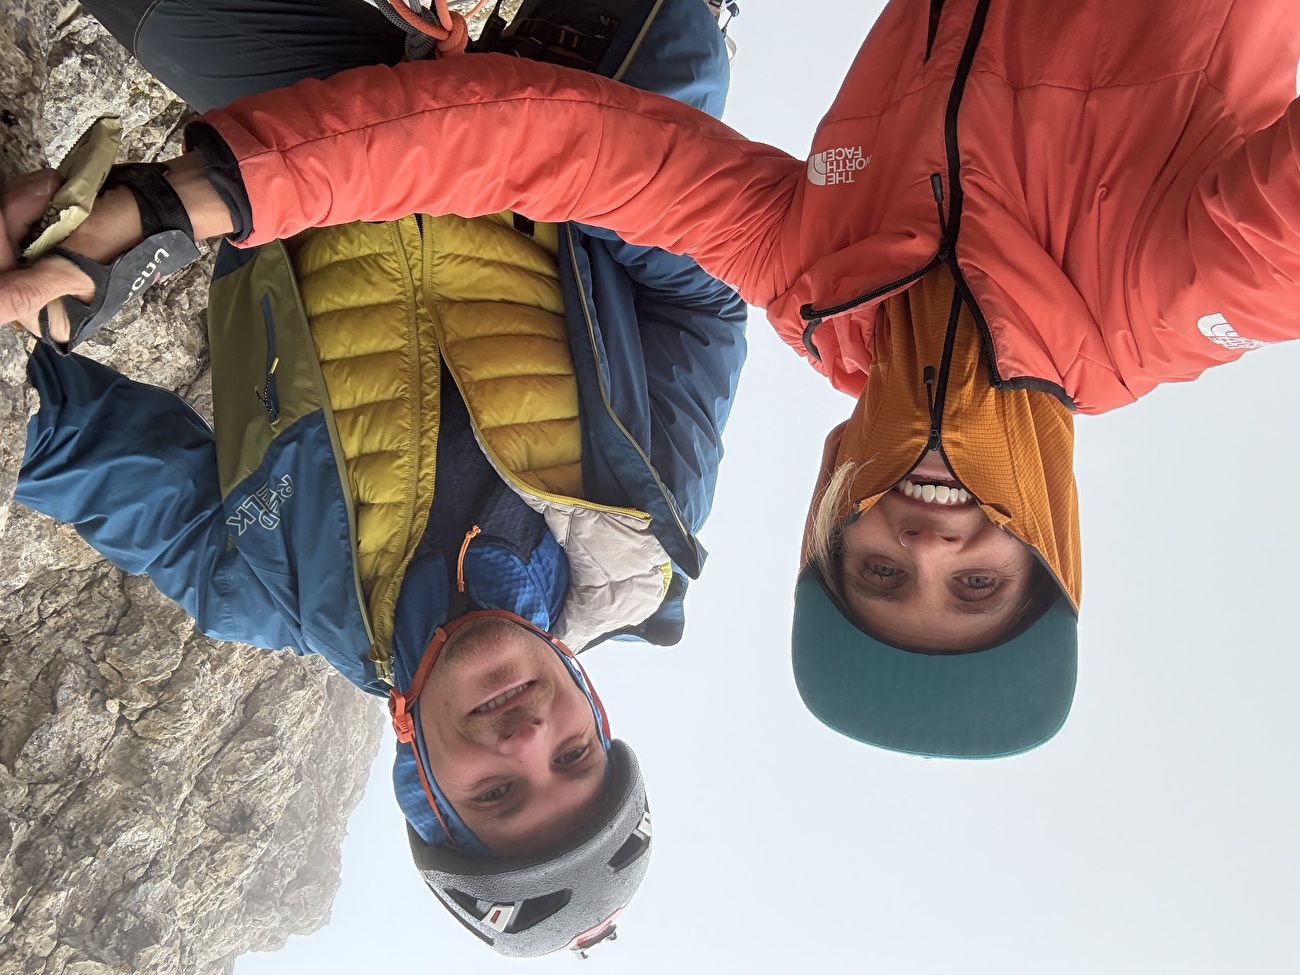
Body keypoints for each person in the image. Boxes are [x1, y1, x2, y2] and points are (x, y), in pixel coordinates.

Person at [6, 0, 1296, 759]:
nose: (928, 537)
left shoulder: (829, 292)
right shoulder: (1175, 296)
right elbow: (608, 178)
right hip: (520, 112)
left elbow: (53, 439)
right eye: (979, 579)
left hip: (329, 147)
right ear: (1050, 548)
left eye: (881, 572)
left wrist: (139, 223)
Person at [4, 0, 745, 956]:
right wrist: (546, 148)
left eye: (497, 792)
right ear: (597, 715)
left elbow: (58, 439)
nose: (527, 739)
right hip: (564, 118)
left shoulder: (268, 581)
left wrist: (35, 293)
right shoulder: (648, 531)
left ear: (419, 779)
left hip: (307, 122)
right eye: (573, 754)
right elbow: (705, 305)